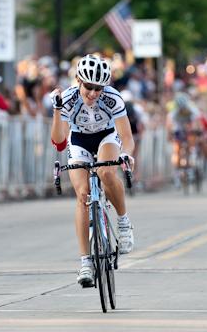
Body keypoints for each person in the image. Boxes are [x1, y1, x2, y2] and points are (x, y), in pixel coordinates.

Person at [49, 54, 135, 288]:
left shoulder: (113, 98)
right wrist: (57, 110)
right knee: (82, 195)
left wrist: (126, 154)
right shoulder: (68, 99)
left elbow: (126, 137)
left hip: (106, 136)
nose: (94, 93)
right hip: (79, 140)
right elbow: (59, 142)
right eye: (89, 87)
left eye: (99, 88)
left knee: (106, 173)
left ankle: (123, 222)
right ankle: (86, 262)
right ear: (78, 80)